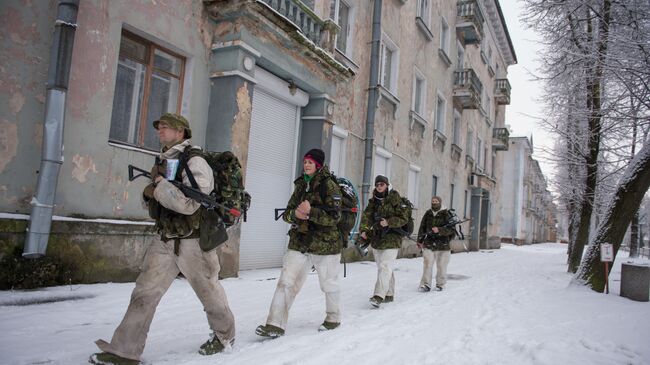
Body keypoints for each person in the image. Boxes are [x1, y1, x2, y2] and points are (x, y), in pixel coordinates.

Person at [90, 113, 235, 365]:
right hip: (165, 238)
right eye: (159, 127)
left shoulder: (196, 161)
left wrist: (159, 186)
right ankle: (124, 350)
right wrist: (150, 193)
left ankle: (224, 337)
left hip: (193, 242)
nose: (160, 131)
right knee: (144, 292)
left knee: (209, 293)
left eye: (166, 127)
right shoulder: (163, 160)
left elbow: (190, 205)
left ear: (181, 133)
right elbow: (159, 201)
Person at [255, 149, 343, 338]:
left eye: (310, 162)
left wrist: (311, 212)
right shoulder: (301, 184)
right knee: (286, 281)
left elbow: (335, 217)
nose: (306, 165)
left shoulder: (330, 186)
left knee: (328, 284)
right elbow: (288, 212)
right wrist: (294, 214)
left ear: (318, 165)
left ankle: (333, 318)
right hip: (300, 241)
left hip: (325, 244)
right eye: (305, 162)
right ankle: (275, 324)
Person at [359, 175, 409, 308]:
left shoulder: (395, 199)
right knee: (384, 267)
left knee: (385, 266)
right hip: (377, 239)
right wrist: (363, 230)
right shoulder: (373, 201)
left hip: (392, 238)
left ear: (387, 185)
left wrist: (389, 222)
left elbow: (404, 218)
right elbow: (366, 217)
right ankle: (389, 293)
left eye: (382, 184)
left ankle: (378, 295)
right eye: (377, 184)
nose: (379, 187)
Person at [416, 196, 456, 292]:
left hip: (443, 245)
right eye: (433, 201)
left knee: (441, 266)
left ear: (440, 202)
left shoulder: (446, 214)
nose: (434, 203)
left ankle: (440, 284)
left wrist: (440, 230)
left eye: (436, 201)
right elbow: (422, 227)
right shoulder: (428, 213)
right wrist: (420, 240)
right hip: (429, 243)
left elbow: (452, 230)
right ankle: (425, 284)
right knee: (427, 264)